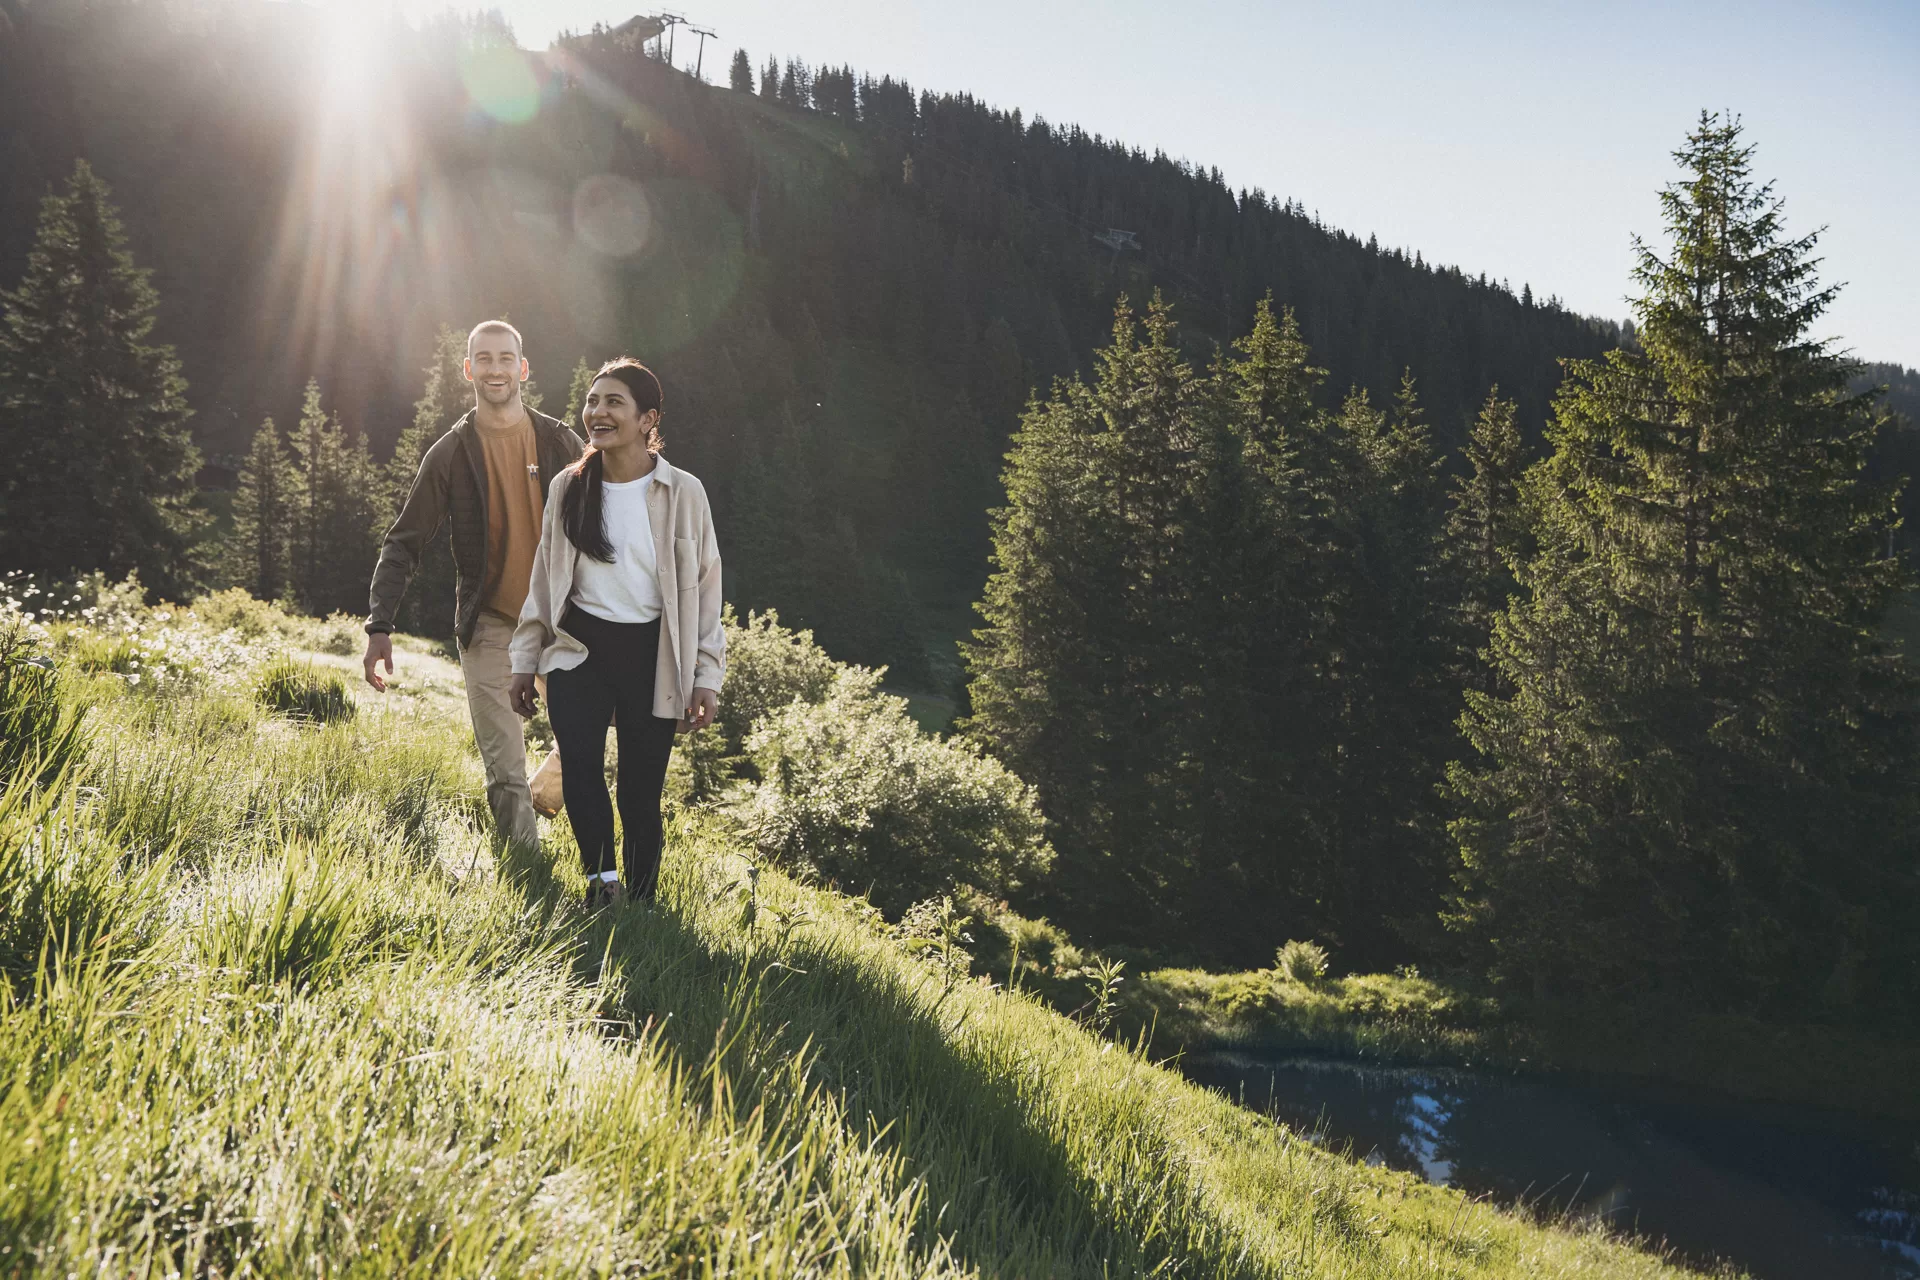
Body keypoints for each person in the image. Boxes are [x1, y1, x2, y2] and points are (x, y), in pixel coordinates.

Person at [508, 359, 724, 907]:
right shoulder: (569, 486)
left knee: (639, 791)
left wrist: (706, 675)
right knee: (580, 766)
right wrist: (524, 659)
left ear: (648, 418)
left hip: (653, 656)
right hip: (579, 648)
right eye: (591, 401)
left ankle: (644, 899)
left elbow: (704, 587)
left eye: (613, 403)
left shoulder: (684, 492)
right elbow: (545, 576)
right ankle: (601, 885)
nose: (597, 413)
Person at [363, 320, 583, 852]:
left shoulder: (560, 442)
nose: (495, 369)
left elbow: (612, 520)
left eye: (505, 358)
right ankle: (529, 879)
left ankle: (548, 795)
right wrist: (379, 626)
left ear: (523, 369)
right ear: (468, 370)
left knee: (590, 739)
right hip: (490, 626)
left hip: (564, 625)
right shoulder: (451, 453)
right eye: (483, 359)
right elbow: (404, 542)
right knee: (504, 770)